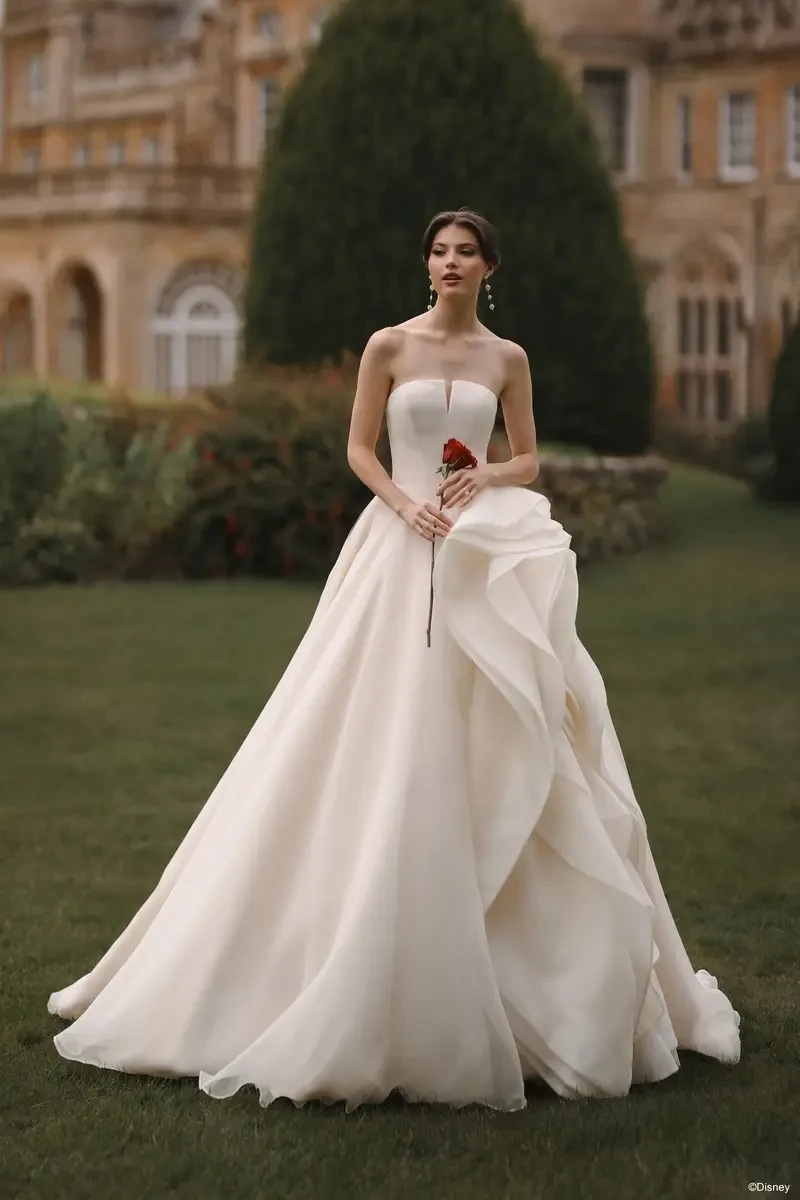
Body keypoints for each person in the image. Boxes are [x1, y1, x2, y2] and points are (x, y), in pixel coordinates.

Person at [47, 207, 741, 1112]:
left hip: (483, 549)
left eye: (466, 252)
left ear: (489, 266)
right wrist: (405, 502)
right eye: (439, 251)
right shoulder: (387, 346)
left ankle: (527, 963)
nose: (450, 263)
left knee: (505, 724)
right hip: (398, 544)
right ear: (427, 264)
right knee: (375, 726)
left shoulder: (507, 359)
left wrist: (482, 476)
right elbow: (358, 447)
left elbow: (527, 456)